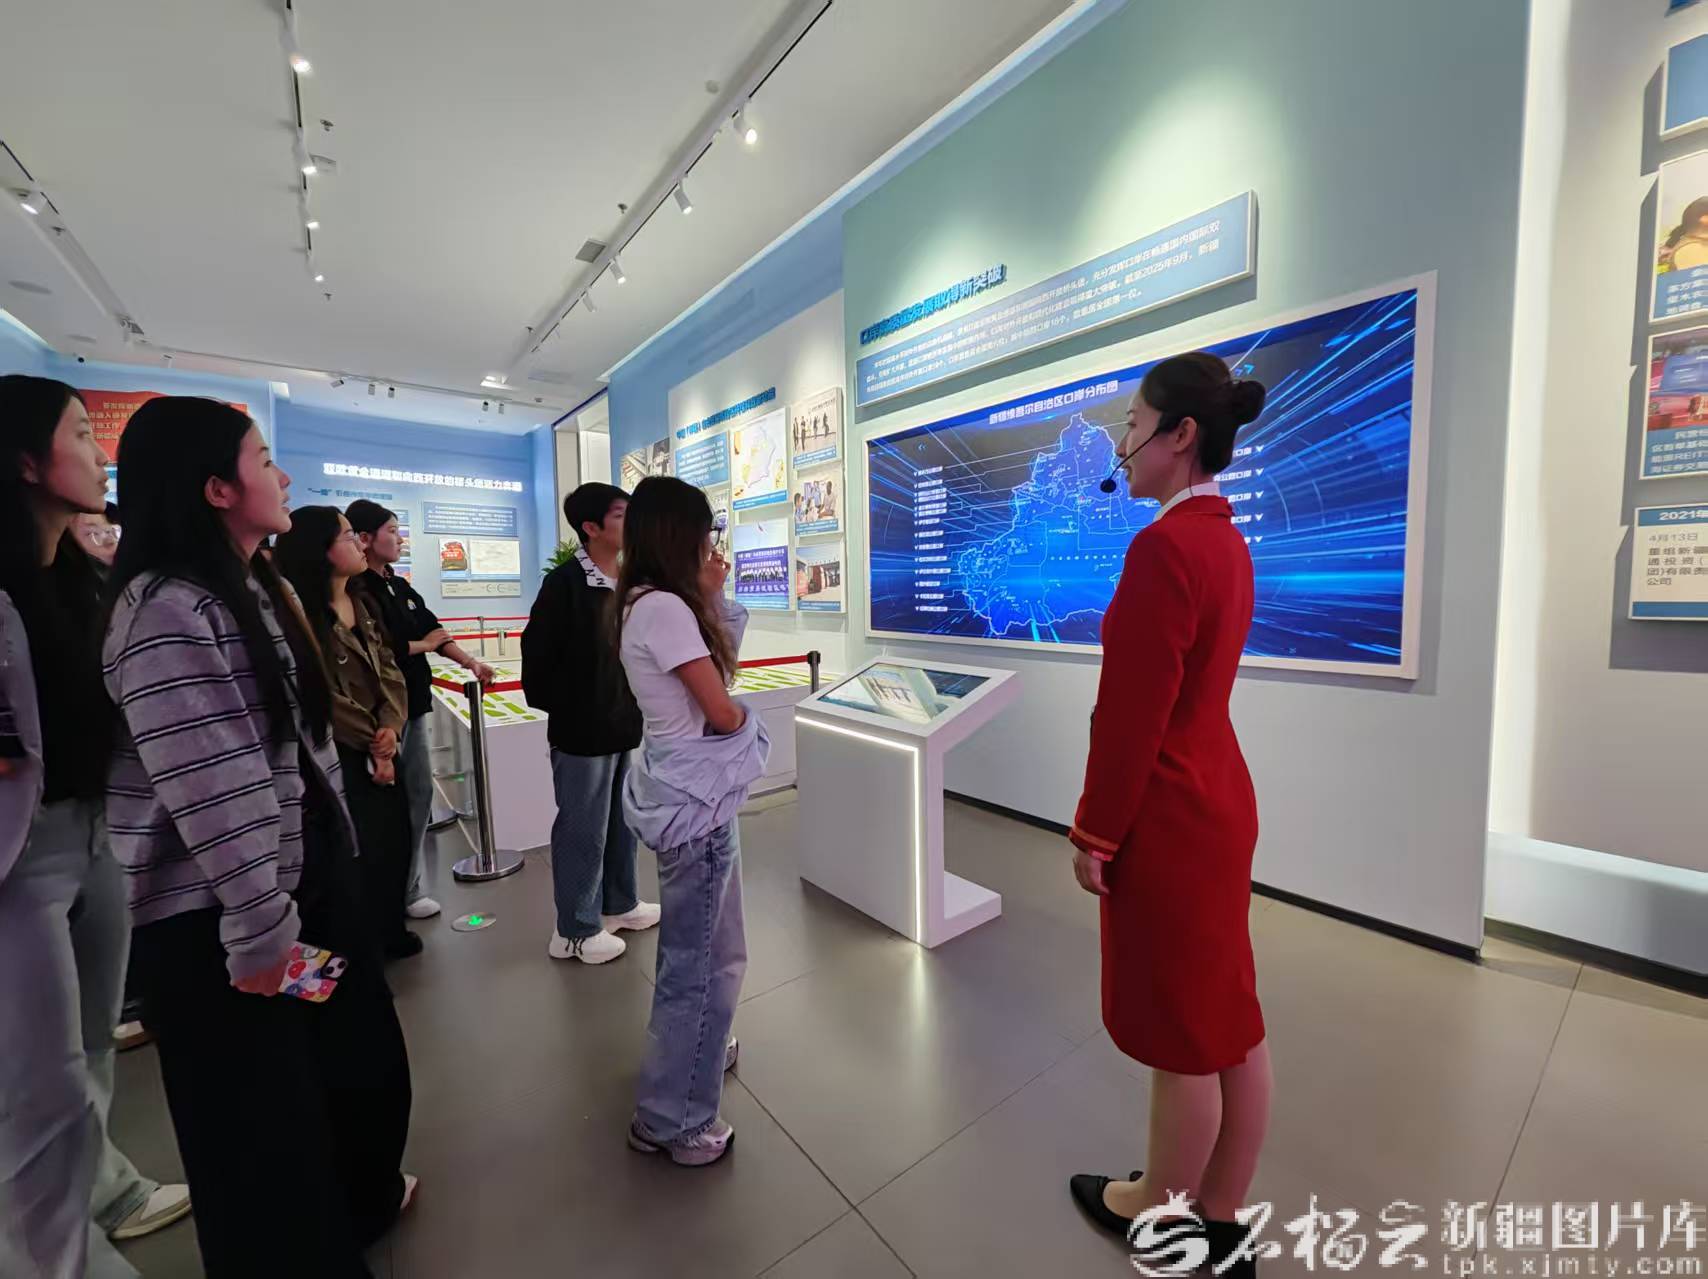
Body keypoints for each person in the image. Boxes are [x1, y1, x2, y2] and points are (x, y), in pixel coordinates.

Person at [103, 398, 413, 1277]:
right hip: (224, 926)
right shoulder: (165, 612)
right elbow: (215, 787)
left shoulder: (249, 587)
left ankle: (360, 1203)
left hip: (290, 893)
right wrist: (260, 931)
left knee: (347, 1058)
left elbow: (287, 751)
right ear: (214, 488)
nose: (283, 477)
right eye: (263, 459)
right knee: (259, 1138)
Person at [1065, 355, 1270, 1275]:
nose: (1123, 441)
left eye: (1135, 422)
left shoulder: (1165, 548)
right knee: (1230, 1017)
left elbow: (1130, 717)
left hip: (1170, 813)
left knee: (1184, 1033)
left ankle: (1164, 1215)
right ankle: (1221, 1211)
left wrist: (1096, 830)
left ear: (1181, 435)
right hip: (1219, 796)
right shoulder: (1226, 540)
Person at [0, 376, 191, 1279]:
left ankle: (102, 1190)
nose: (98, 452)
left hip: (94, 837)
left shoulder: (84, 583)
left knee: (88, 1046)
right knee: (35, 1085)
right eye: (81, 433)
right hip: (20, 858)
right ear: (25, 460)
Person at [615, 476, 768, 1167]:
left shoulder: (644, 603)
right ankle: (674, 1119)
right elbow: (722, 707)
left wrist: (708, 597)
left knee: (708, 955)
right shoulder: (666, 610)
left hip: (684, 796)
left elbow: (709, 685)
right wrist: (746, 727)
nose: (713, 545)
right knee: (702, 966)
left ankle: (689, 1065)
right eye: (706, 531)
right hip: (697, 806)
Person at [275, 506, 422, 961]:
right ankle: (357, 955)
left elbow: (390, 670)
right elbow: (320, 692)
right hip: (338, 754)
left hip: (382, 744)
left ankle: (389, 931)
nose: (359, 544)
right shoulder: (296, 615)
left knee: (392, 842)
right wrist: (374, 740)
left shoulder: (364, 602)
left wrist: (391, 728)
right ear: (319, 550)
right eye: (347, 536)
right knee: (351, 857)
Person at [521, 483, 657, 964]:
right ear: (591, 527)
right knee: (583, 828)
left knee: (621, 821)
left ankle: (619, 903)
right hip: (582, 731)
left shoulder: (630, 581)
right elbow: (537, 661)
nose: (632, 523)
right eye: (621, 515)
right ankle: (575, 930)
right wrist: (573, 708)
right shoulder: (564, 585)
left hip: (622, 724)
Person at [345, 499, 494, 923]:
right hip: (379, 715)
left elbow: (432, 629)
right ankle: (384, 895)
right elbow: (375, 648)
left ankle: (406, 888)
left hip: (413, 704)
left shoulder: (398, 584)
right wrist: (421, 646)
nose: (400, 539)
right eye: (392, 531)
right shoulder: (355, 590)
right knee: (385, 804)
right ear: (365, 538)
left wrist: (470, 662)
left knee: (417, 795)